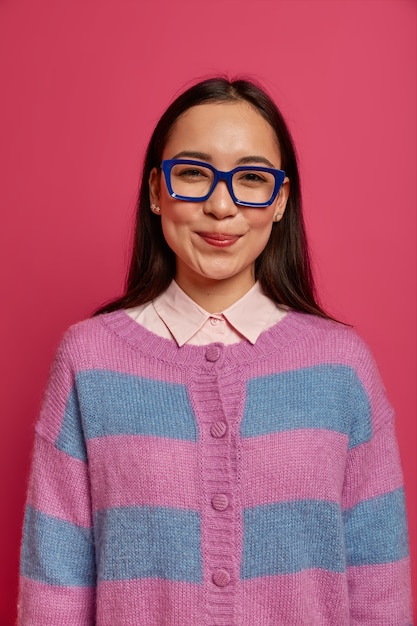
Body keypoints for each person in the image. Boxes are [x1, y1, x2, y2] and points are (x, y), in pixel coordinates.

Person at [18, 77, 412, 625]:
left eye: (251, 178)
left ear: (279, 201)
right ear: (157, 191)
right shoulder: (89, 359)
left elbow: (380, 587)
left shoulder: (342, 366)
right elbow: (53, 589)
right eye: (193, 174)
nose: (221, 206)